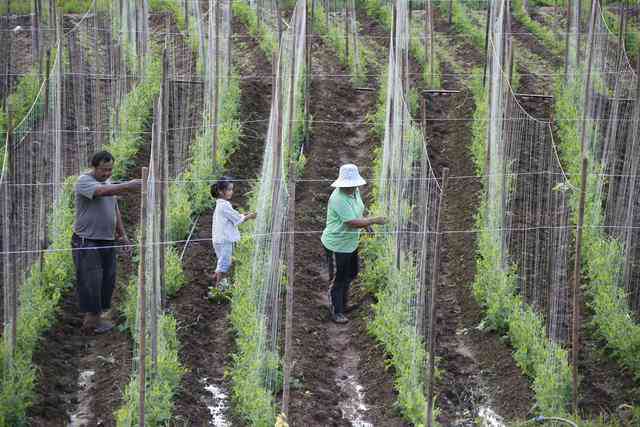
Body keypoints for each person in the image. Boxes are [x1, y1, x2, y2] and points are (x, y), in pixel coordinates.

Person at [72, 150, 141, 334]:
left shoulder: (106, 182)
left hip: (107, 239)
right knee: (91, 280)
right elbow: (103, 192)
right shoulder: (84, 181)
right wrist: (129, 185)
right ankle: (90, 323)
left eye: (110, 169)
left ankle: (97, 317)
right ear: (94, 167)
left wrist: (123, 235)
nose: (107, 173)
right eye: (104, 170)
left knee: (108, 279)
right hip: (87, 241)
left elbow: (114, 210)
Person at [321, 164, 386, 324]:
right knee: (338, 278)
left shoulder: (355, 192)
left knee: (351, 274)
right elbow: (351, 222)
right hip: (337, 245)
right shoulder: (338, 199)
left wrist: (367, 224)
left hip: (350, 242)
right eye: (349, 185)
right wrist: (373, 220)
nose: (352, 187)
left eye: (353, 184)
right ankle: (336, 311)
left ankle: (344, 304)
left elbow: (359, 210)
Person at [211, 176, 256, 288]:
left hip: (218, 239)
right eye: (229, 189)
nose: (232, 192)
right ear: (221, 191)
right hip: (225, 240)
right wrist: (249, 216)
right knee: (225, 263)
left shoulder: (220, 204)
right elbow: (237, 219)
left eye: (232, 189)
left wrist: (243, 214)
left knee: (222, 260)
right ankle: (218, 289)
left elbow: (233, 216)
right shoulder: (224, 205)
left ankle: (217, 277)